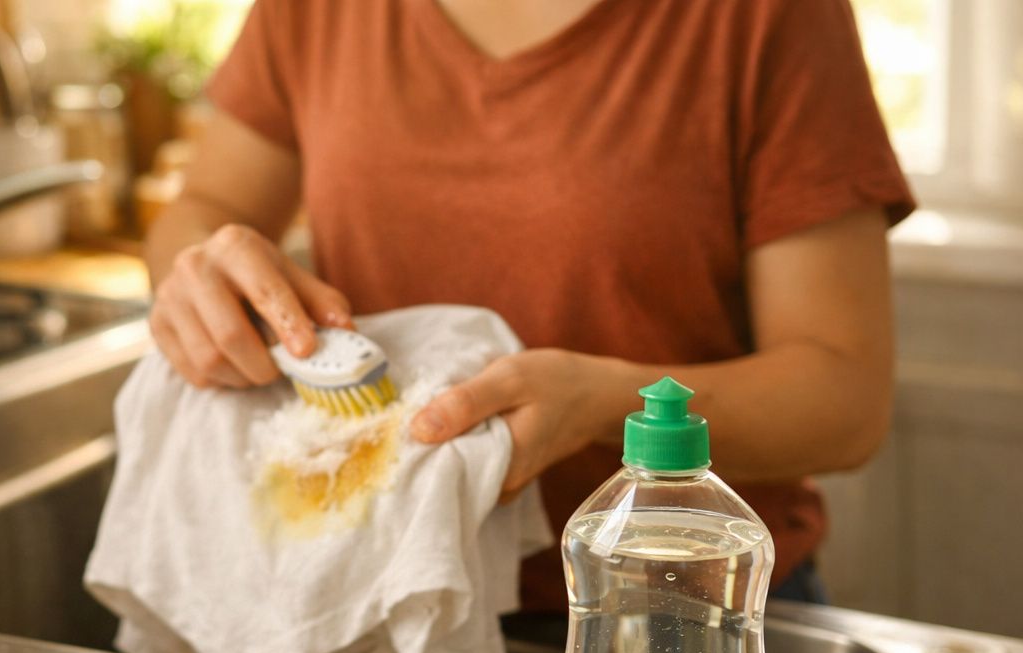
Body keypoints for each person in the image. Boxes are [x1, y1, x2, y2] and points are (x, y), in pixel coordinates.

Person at [143, 0, 914, 612]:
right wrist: (202, 272)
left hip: (684, 619)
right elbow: (205, 207)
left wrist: (606, 405)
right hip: (376, 596)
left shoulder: (767, 16)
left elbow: (843, 399)